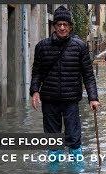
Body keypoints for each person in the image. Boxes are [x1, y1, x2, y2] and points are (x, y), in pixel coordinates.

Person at [29, 5, 100, 159]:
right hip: (49, 99)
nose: (62, 27)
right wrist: (34, 91)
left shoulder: (79, 47)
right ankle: (54, 170)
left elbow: (88, 75)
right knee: (53, 142)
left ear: (70, 27)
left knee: (74, 140)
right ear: (54, 26)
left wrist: (93, 98)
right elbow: (37, 72)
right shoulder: (42, 47)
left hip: (71, 100)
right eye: (59, 24)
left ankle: (75, 170)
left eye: (65, 24)